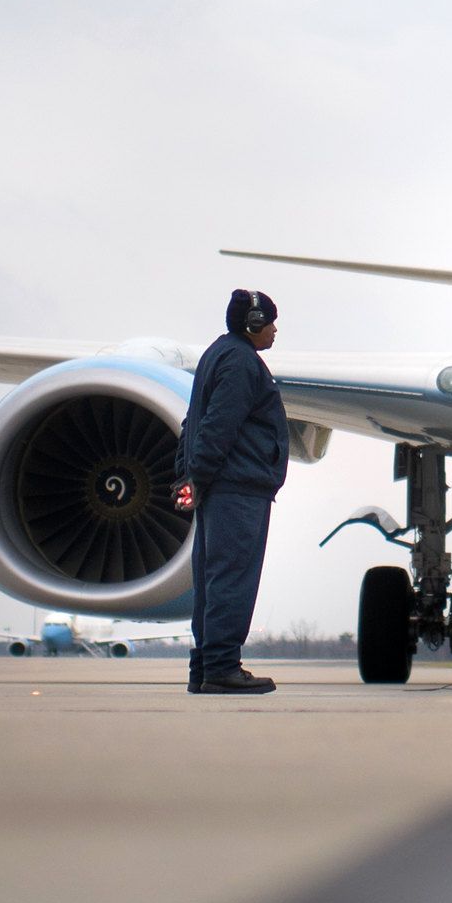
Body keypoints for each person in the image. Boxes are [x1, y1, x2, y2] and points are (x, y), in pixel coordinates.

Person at [175, 289, 290, 696]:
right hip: (237, 490)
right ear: (253, 324)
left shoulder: (216, 355)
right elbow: (218, 426)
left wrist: (187, 477)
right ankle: (223, 667)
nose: (275, 330)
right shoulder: (242, 362)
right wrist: (199, 476)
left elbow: (193, 421)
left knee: (212, 578)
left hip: (218, 487)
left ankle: (204, 669)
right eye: (270, 322)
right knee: (231, 578)